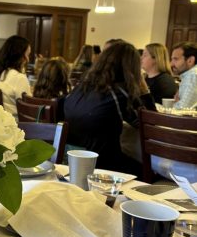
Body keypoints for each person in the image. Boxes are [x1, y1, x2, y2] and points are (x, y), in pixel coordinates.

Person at [63, 41, 156, 174]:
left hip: (71, 160)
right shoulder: (119, 94)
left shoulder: (81, 87)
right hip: (103, 165)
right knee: (151, 171)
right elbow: (149, 126)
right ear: (131, 68)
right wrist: (145, 91)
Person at [0, 35, 31, 117]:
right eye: (27, 55)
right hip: (15, 125)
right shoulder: (19, 78)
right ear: (19, 55)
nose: (28, 59)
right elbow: (28, 110)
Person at [170, 41, 197, 110]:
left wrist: (176, 103)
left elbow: (181, 110)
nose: (171, 64)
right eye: (172, 59)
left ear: (190, 60)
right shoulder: (189, 75)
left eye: (176, 59)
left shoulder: (193, 76)